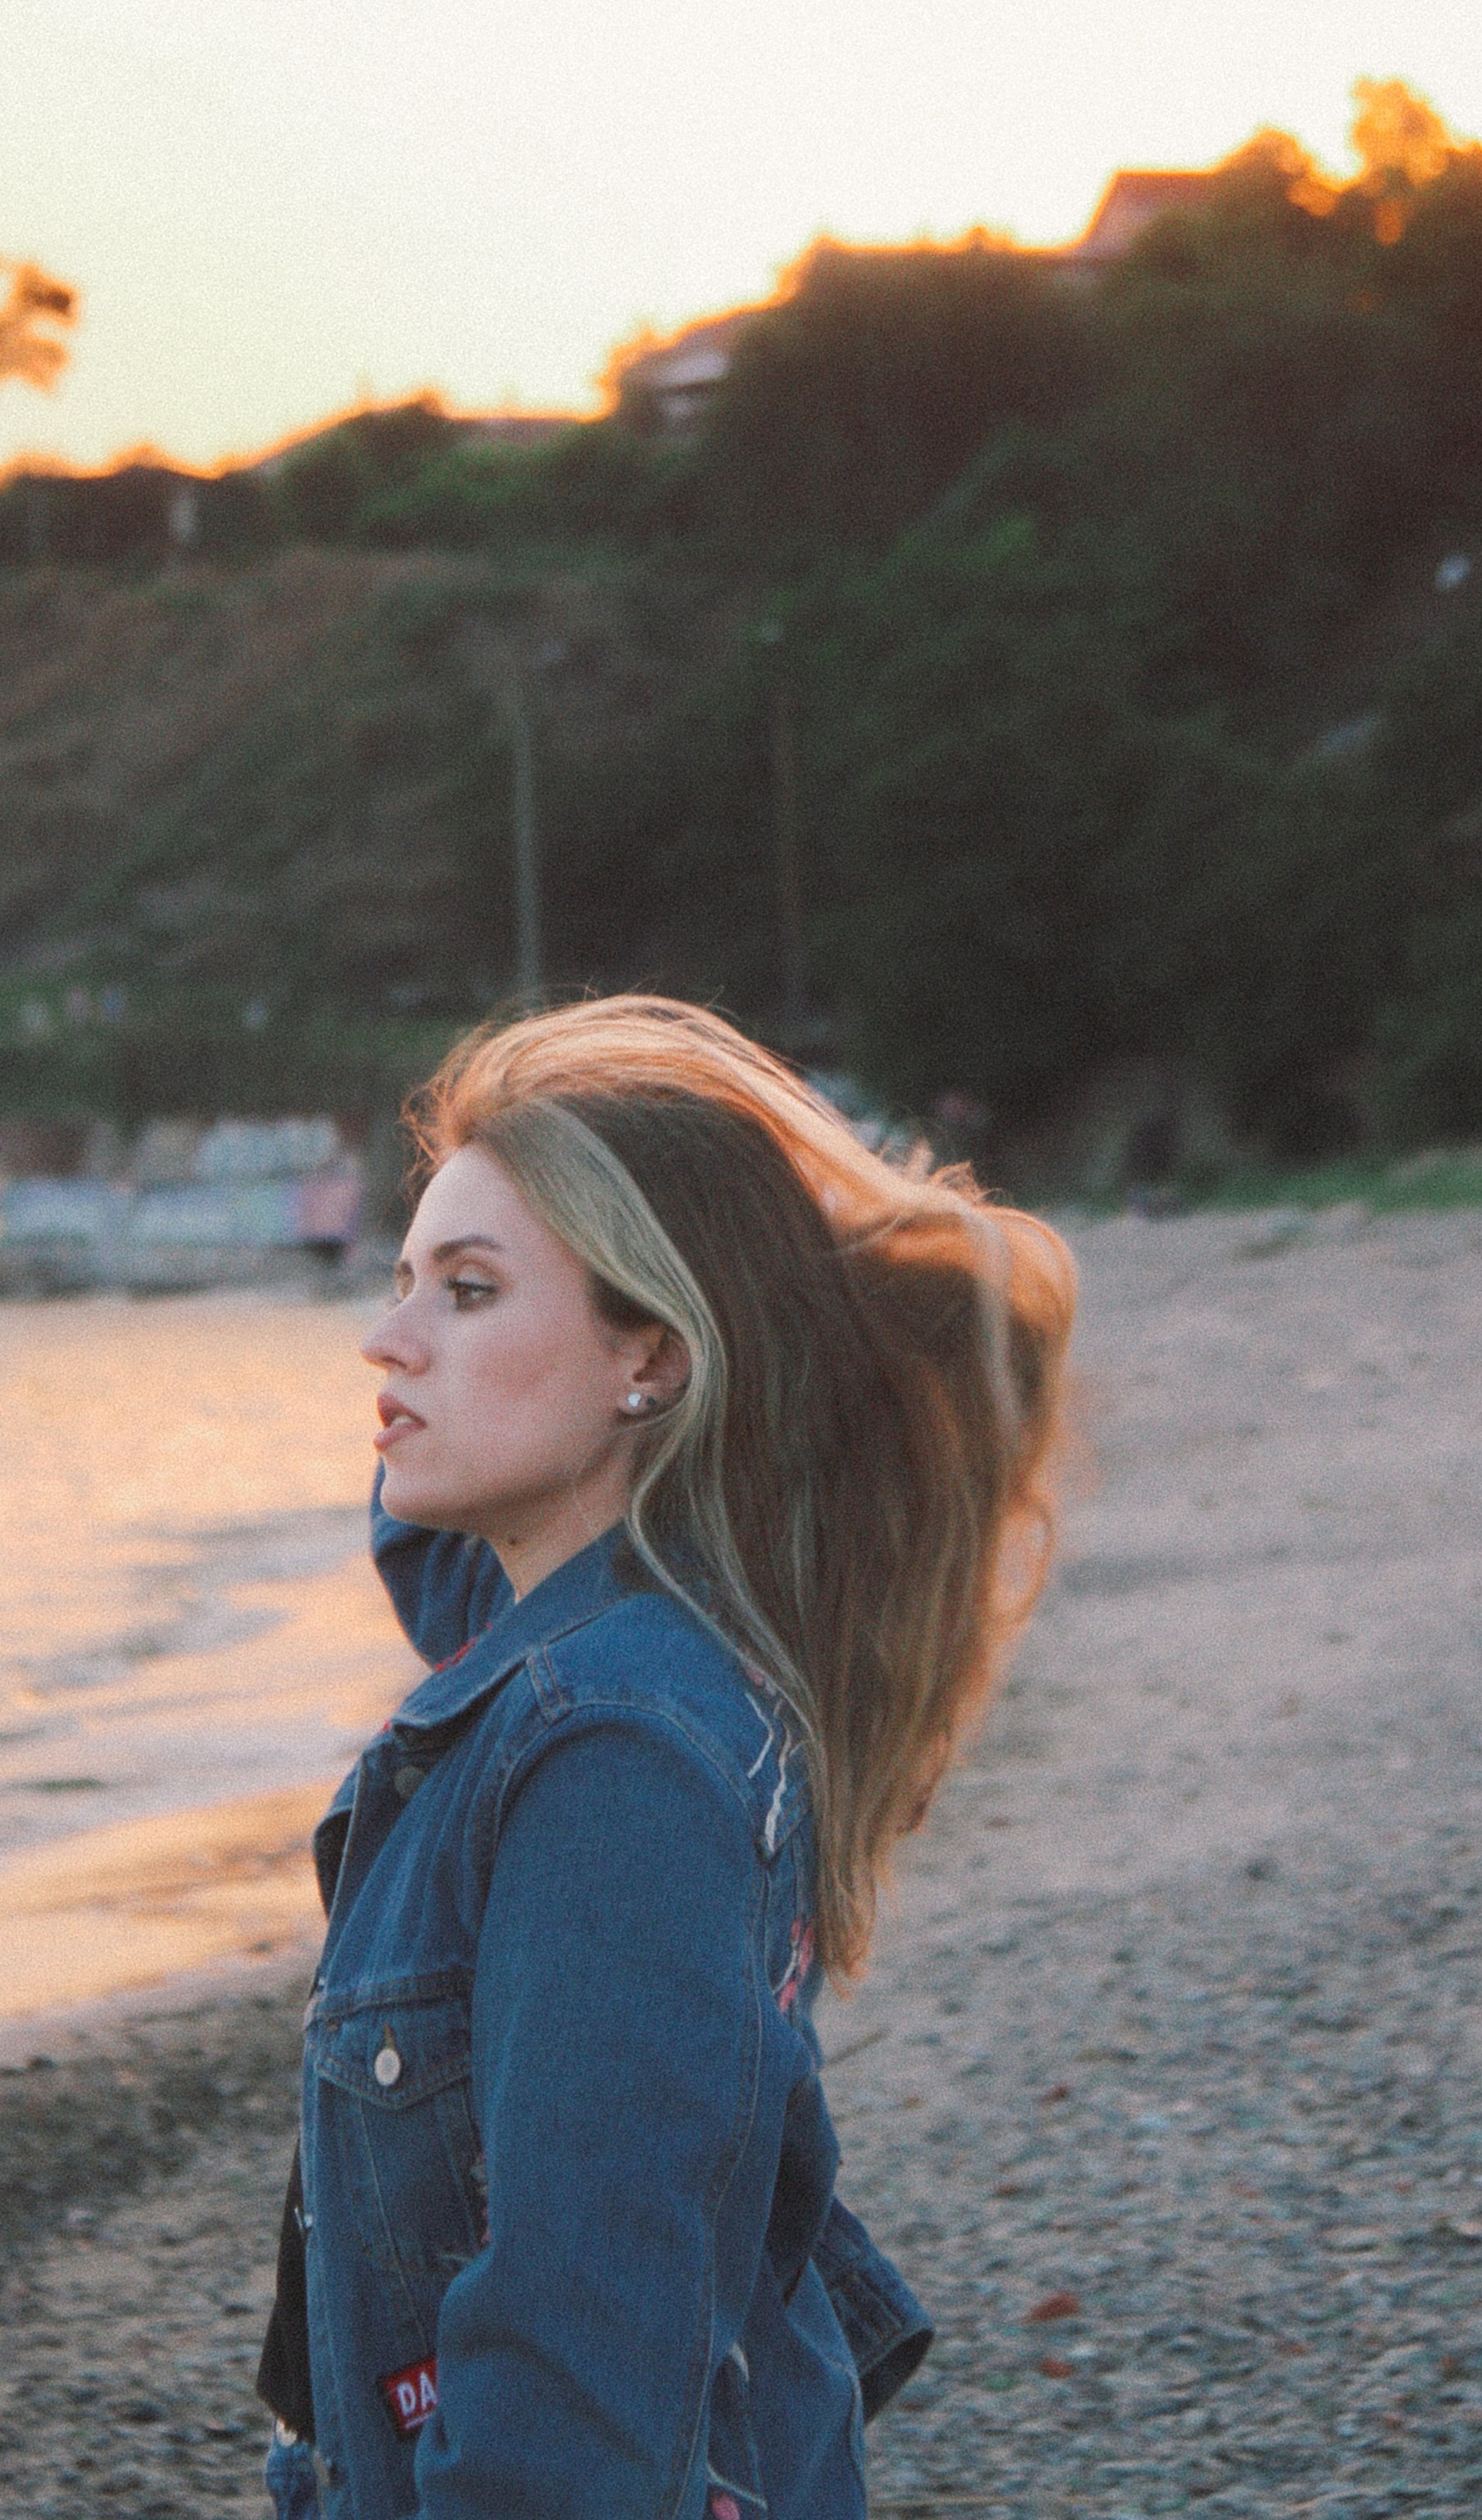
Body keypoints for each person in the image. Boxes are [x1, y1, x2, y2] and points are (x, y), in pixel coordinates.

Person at [256, 995, 1074, 2518]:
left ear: (651, 1356)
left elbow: (576, 2386)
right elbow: (434, 1535)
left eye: (469, 1290)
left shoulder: (612, 1757)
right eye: (400, 1278)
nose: (388, 1337)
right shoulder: (623, 1629)